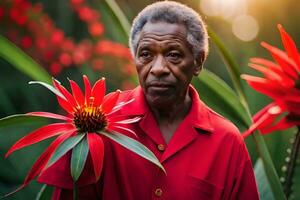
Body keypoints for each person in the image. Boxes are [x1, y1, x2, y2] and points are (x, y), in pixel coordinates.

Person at [38, 1, 259, 199]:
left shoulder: (226, 141)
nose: (158, 68)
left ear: (198, 62)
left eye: (173, 54)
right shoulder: (95, 125)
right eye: (146, 54)